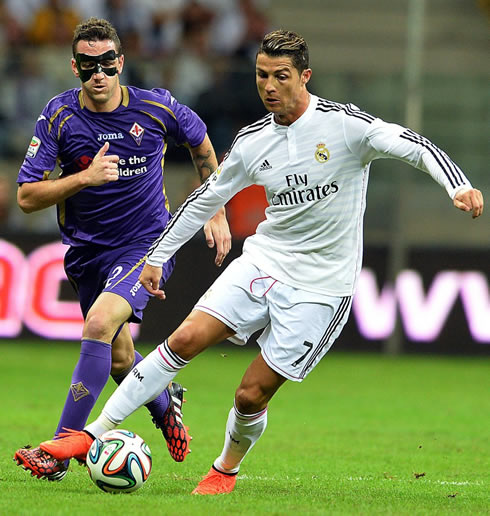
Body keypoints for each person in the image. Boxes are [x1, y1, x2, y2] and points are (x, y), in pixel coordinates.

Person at [15, 29, 483, 494]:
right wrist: (159, 255)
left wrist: (456, 185)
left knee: (249, 394)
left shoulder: (344, 126)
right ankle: (89, 435)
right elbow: (204, 198)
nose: (268, 85)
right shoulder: (253, 139)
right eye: (261, 75)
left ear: (305, 77)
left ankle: (224, 468)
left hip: (322, 285)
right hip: (265, 259)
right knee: (185, 338)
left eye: (281, 76)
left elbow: (413, 145)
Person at [13, 17, 231, 481]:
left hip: (147, 245)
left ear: (121, 62)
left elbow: (201, 143)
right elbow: (27, 196)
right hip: (87, 253)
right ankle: (163, 404)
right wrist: (84, 178)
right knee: (118, 357)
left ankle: (58, 450)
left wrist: (215, 210)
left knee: (97, 324)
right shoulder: (59, 116)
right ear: (75, 67)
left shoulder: (156, 108)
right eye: (88, 64)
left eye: (107, 63)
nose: (99, 73)